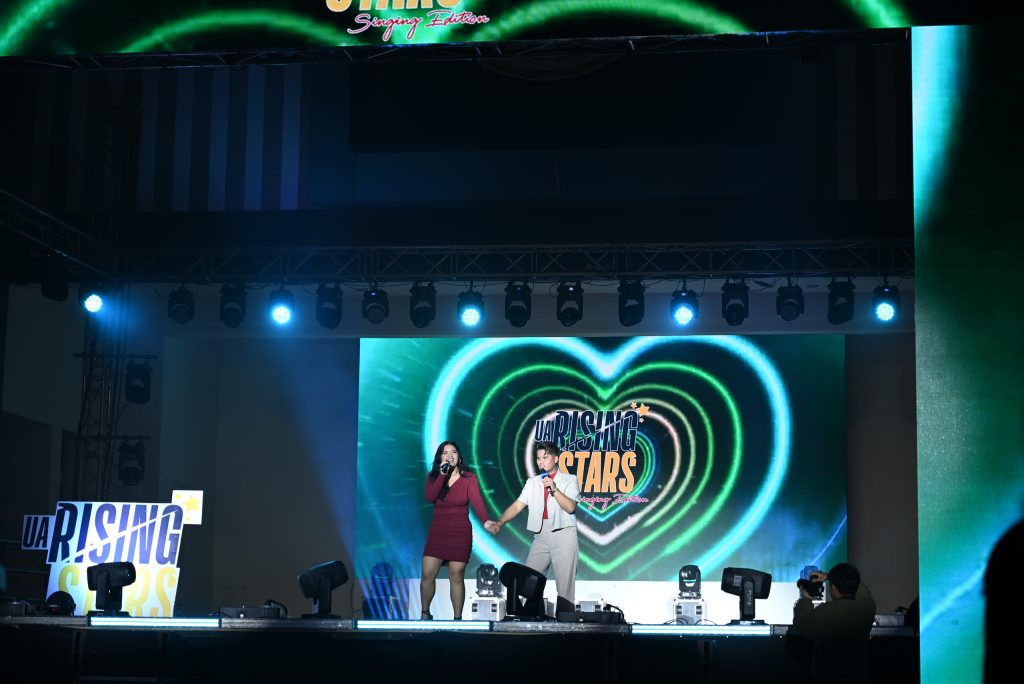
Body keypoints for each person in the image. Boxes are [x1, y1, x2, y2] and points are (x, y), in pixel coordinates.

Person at [486, 441, 581, 614]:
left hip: (564, 534)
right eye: (538, 458)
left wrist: (554, 489)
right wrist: (500, 522)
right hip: (541, 535)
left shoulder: (569, 479)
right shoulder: (533, 482)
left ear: (556, 458)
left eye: (545, 457)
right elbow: (518, 505)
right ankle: (532, 619)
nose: (541, 462)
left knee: (565, 588)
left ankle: (566, 624)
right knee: (529, 581)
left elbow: (570, 507)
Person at [420, 440, 496, 620]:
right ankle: (425, 613)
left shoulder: (469, 478)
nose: (449, 455)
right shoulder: (433, 477)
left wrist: (485, 521)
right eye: (445, 453)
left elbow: (477, 500)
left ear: (459, 457)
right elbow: (430, 497)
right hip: (438, 532)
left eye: (453, 452)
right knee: (428, 573)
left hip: (460, 532)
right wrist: (442, 476)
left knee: (456, 575)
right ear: (440, 458)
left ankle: (457, 619)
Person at [786, 562, 877, 683]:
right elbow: (863, 590)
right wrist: (831, 577)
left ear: (833, 587)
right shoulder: (867, 608)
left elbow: (800, 626)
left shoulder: (825, 612)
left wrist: (805, 598)